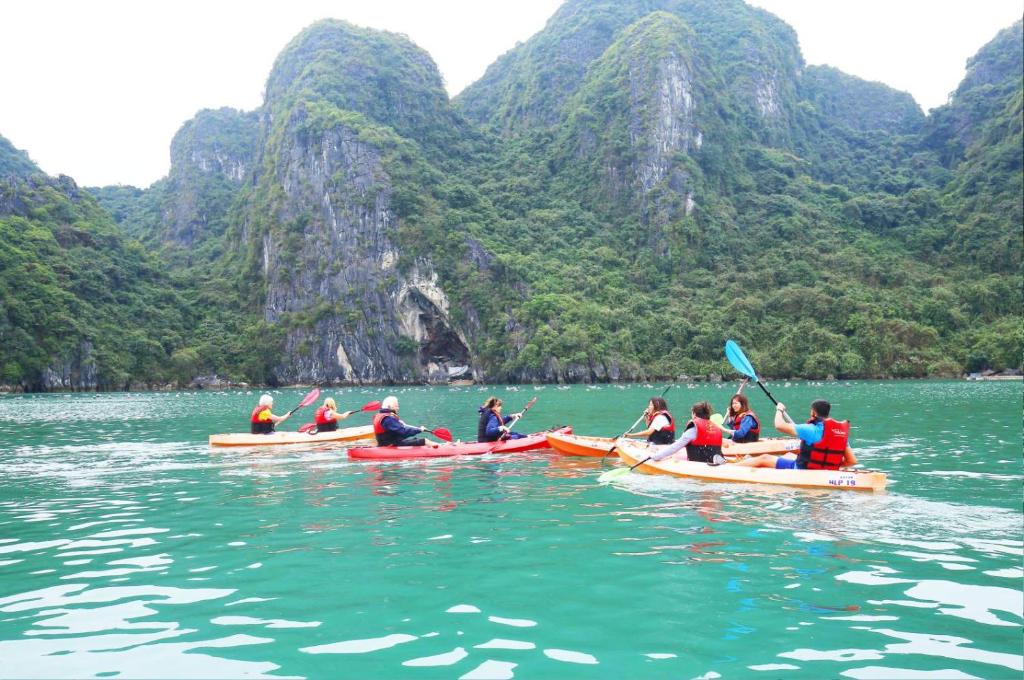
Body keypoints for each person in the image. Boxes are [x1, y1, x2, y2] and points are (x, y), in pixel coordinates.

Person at [734, 399, 857, 470]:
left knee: (764, 458)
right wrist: (828, 467)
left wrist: (779, 410)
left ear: (813, 412)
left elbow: (779, 425)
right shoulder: (839, 433)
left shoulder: (809, 429)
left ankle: (731, 469)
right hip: (826, 471)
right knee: (789, 454)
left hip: (803, 471)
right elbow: (852, 461)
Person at [648, 401, 724, 464]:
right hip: (715, 463)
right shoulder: (716, 428)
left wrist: (656, 456)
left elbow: (675, 447)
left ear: (694, 414)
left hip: (698, 465)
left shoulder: (693, 429)